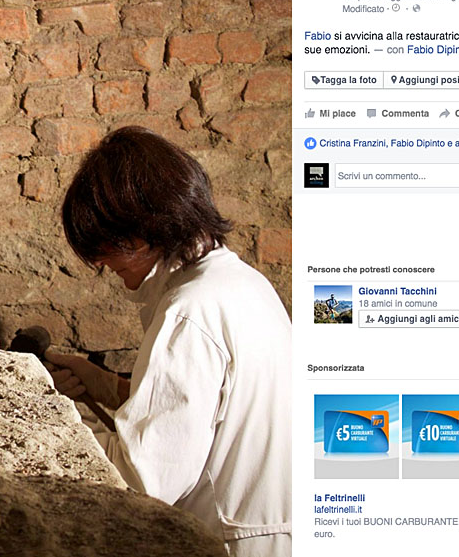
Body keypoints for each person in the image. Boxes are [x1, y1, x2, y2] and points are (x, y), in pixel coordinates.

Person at [45, 127, 291, 556]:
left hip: (230, 541)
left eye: (105, 250)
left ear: (141, 233)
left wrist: (52, 422)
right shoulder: (241, 283)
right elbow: (208, 410)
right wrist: (100, 383)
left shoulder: (189, 311)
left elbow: (144, 480)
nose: (101, 263)